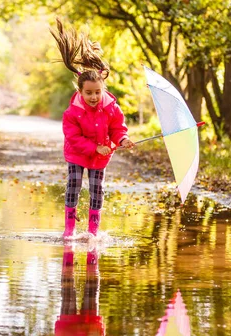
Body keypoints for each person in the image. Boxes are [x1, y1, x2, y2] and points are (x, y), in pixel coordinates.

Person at [51, 21, 134, 238]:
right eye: (89, 93)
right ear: (80, 91)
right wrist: (95, 147)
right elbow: (73, 137)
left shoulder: (111, 107)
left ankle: (93, 232)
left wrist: (123, 139)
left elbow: (117, 128)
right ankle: (69, 230)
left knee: (97, 190)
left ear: (103, 89)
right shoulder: (72, 112)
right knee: (74, 185)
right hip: (77, 155)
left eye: (97, 92)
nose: (94, 97)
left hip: (100, 157)